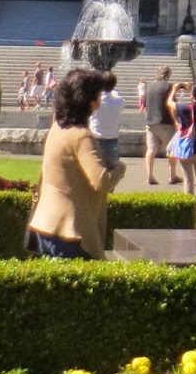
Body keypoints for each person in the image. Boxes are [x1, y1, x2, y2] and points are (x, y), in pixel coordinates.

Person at [27, 69, 125, 259]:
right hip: (70, 231)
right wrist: (120, 168)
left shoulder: (57, 128)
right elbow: (102, 181)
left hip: (45, 223)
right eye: (98, 94)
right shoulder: (81, 136)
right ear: (91, 102)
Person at [144, 65, 176, 185]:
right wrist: (176, 120)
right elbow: (172, 105)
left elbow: (146, 104)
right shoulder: (169, 86)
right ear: (168, 75)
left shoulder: (149, 87)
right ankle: (172, 175)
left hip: (151, 122)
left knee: (151, 149)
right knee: (171, 149)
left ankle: (150, 176)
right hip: (166, 121)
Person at [88, 70, 124, 168]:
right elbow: (117, 96)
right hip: (112, 140)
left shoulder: (95, 102)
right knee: (111, 174)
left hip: (96, 138)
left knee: (95, 171)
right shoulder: (119, 102)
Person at [166, 81, 196, 195]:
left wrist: (174, 90)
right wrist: (190, 91)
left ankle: (188, 196)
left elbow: (170, 102)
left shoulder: (184, 107)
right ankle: (172, 174)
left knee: (188, 175)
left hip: (185, 139)